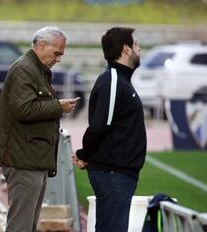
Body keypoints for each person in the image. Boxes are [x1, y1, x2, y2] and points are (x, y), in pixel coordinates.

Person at [0, 26, 77, 232]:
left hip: (31, 158)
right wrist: (58, 106)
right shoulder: (25, 69)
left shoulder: (38, 70)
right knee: (21, 225)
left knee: (28, 224)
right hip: (23, 159)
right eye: (57, 53)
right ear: (41, 45)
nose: (59, 59)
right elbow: (23, 110)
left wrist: (56, 107)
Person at [72, 27, 147, 232]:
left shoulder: (120, 80)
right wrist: (84, 153)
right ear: (126, 49)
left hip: (118, 171)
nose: (139, 48)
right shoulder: (112, 79)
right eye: (136, 44)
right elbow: (100, 125)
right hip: (114, 172)